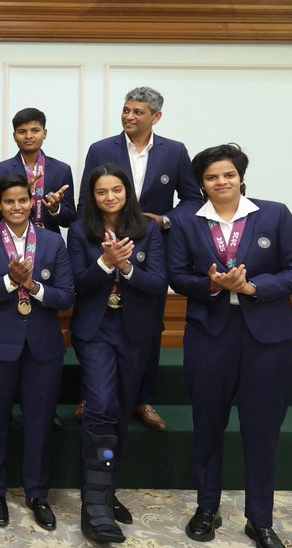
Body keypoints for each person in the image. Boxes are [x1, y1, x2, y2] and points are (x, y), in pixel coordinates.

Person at [169, 144, 292, 548]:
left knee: (262, 431)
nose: (221, 182)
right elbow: (177, 276)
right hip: (210, 336)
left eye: (228, 174)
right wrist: (213, 285)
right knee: (208, 425)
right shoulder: (186, 222)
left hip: (268, 341)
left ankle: (261, 520)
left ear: (240, 177)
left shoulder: (274, 214)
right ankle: (207, 509)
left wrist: (252, 288)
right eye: (212, 177)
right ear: (202, 183)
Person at [78, 86, 204, 432]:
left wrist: (164, 221)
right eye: (126, 110)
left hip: (153, 250)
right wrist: (93, 242)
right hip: (102, 245)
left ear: (156, 117)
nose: (129, 117)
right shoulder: (101, 149)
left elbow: (193, 200)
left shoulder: (175, 152)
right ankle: (91, 395)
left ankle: (142, 398)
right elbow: (84, 203)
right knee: (94, 319)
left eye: (137, 112)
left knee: (148, 325)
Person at [0, 174, 74, 531]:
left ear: (33, 203)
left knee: (40, 424)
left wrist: (34, 286)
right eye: (8, 201)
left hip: (42, 348)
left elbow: (66, 296)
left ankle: (37, 494)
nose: (16, 207)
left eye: (22, 201)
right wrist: (12, 282)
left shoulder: (52, 242)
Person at [67, 163, 167, 543]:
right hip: (96, 330)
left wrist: (125, 268)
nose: (110, 197)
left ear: (127, 192)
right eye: (102, 191)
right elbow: (76, 283)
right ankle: (93, 503)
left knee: (123, 410)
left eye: (117, 190)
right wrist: (104, 263)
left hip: (135, 331)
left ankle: (107, 490)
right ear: (92, 196)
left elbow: (159, 283)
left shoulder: (149, 230)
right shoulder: (79, 231)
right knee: (102, 403)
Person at [0, 108, 75, 232]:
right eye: (22, 131)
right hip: (10, 242)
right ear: (14, 136)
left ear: (45, 133)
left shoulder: (61, 170)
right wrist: (17, 195)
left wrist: (56, 208)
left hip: (49, 242)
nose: (29, 136)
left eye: (35, 131)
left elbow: (70, 219)